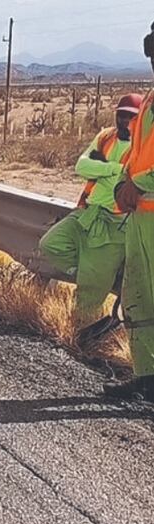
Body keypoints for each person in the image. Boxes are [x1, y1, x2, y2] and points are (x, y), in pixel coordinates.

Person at [38, 94, 142, 325]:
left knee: (89, 298)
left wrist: (101, 167)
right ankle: (90, 273)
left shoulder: (142, 148)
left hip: (114, 222)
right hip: (88, 212)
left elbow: (131, 177)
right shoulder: (106, 136)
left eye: (131, 117)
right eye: (121, 115)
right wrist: (113, 170)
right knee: (50, 244)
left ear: (140, 119)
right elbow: (81, 166)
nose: (125, 121)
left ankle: (83, 338)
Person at [105, 22, 154, 400]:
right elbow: (138, 154)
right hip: (141, 215)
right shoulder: (149, 101)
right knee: (138, 294)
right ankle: (145, 376)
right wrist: (125, 181)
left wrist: (138, 185)